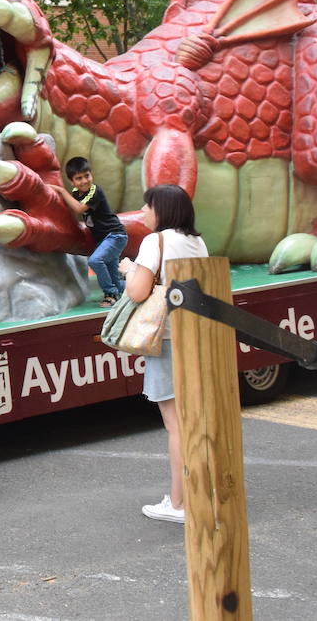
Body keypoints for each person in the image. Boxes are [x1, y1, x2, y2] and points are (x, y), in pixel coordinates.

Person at [119, 183, 208, 524]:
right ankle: (200, 493)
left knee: (176, 426)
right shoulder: (197, 242)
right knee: (195, 420)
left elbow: (139, 292)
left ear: (163, 210)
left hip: (166, 338)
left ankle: (179, 502)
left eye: (147, 206)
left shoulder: (154, 242)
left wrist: (129, 272)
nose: (143, 212)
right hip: (196, 338)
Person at [55, 156, 129, 307]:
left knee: (95, 260)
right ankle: (140, 286)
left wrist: (61, 191)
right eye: (78, 178)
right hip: (104, 239)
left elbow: (79, 208)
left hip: (115, 235)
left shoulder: (94, 191)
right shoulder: (76, 193)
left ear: (91, 174)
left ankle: (110, 294)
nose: (84, 181)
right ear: (72, 181)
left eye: (86, 176)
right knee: (115, 279)